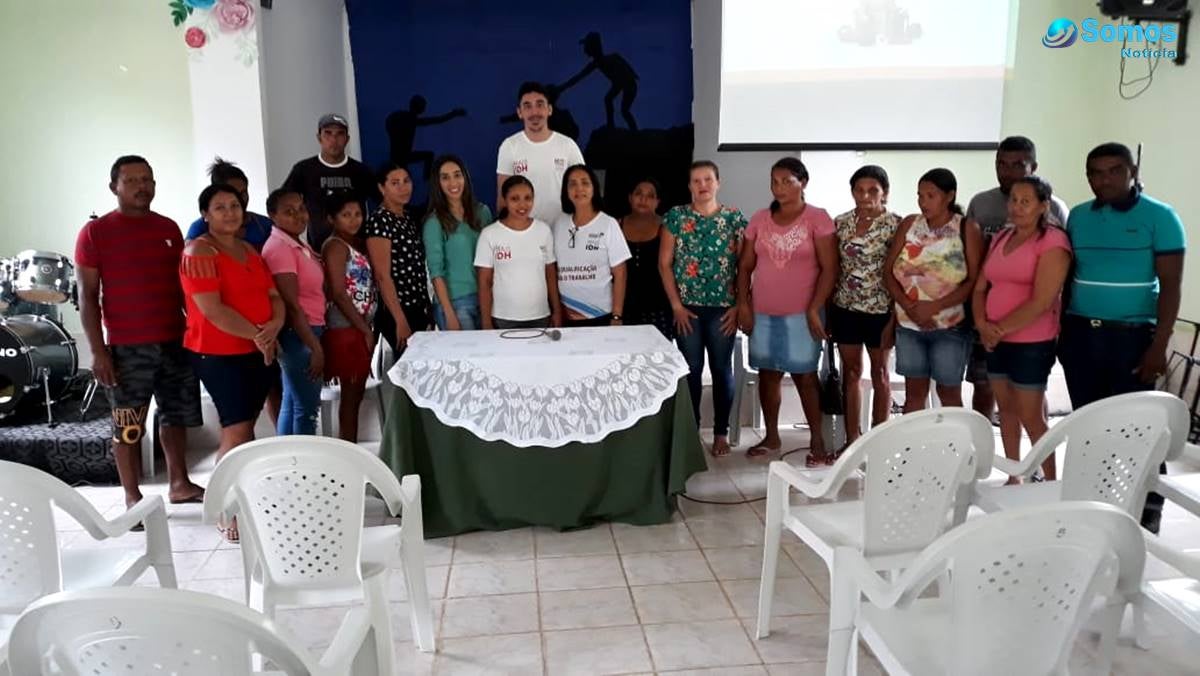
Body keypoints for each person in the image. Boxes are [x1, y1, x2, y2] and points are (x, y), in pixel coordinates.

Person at [1060, 142, 1186, 533]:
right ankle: (1095, 503)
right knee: (1089, 425)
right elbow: (1067, 277)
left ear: (1132, 172)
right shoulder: (1079, 217)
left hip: (1132, 339)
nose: (1104, 179)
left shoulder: (1161, 217)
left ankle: (1149, 508)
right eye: (1095, 172)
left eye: (1114, 170)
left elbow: (1171, 287)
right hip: (1081, 335)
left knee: (1138, 428)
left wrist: (1159, 346)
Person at [75, 155, 206, 512]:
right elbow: (87, 297)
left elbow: (183, 289)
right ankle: (132, 496)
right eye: (131, 180)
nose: (141, 186)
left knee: (175, 415)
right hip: (126, 347)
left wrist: (195, 332)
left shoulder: (168, 228)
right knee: (128, 425)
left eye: (147, 179)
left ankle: (179, 482)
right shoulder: (95, 233)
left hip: (174, 340)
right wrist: (98, 351)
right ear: (113, 187)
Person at [180, 184, 284, 542]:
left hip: (256, 351)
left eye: (235, 206)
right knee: (236, 431)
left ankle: (243, 499)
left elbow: (274, 296)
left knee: (244, 431)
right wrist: (261, 335)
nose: (229, 212)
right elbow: (213, 311)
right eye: (220, 207)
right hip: (220, 354)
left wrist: (274, 327)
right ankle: (225, 508)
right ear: (205, 215)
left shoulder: (250, 250)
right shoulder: (198, 251)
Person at [736, 158, 837, 464]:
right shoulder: (759, 219)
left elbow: (830, 269)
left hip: (802, 315)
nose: (778, 187)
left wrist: (814, 308)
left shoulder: (817, 218)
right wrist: (743, 303)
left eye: (786, 181)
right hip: (763, 313)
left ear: (803, 182)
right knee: (768, 374)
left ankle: (817, 441)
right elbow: (744, 266)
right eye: (774, 181)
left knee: (805, 376)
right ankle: (771, 436)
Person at [973, 176, 1072, 483]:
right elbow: (980, 288)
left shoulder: (1053, 241)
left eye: (1026, 201)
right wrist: (982, 325)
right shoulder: (1002, 237)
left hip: (1031, 341)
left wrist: (997, 329)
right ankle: (1015, 475)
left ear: (1044, 205)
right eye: (1013, 200)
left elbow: (1042, 300)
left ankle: (1051, 480)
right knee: (1006, 409)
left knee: (1031, 414)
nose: (1017, 207)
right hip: (994, 339)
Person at [965, 136, 1070, 422]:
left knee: (1031, 397)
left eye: (1017, 165)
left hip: (1033, 325)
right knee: (984, 384)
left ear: (1033, 167)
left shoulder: (1056, 210)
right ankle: (985, 449)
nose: (1007, 171)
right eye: (1001, 164)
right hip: (986, 315)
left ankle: (1037, 459)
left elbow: (1055, 277)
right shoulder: (981, 203)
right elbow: (976, 262)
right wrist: (983, 324)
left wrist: (999, 329)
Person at [660, 161, 748, 457]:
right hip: (688, 310)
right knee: (691, 371)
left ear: (718, 183)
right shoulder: (676, 217)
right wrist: (676, 305)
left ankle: (721, 433)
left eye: (708, 179)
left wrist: (738, 305)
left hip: (724, 309)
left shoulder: (734, 219)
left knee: (722, 370)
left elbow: (746, 268)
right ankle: (692, 430)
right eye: (696, 180)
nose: (703, 185)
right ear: (689, 186)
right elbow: (664, 264)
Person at [884, 168, 982, 412]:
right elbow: (888, 272)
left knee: (948, 393)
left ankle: (954, 448)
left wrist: (933, 308)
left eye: (930, 195)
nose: (923, 202)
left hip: (950, 326)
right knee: (914, 393)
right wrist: (911, 308)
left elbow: (973, 280)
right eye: (920, 195)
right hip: (909, 325)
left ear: (949, 196)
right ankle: (914, 449)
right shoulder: (909, 224)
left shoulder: (966, 228)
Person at [830, 165, 902, 447]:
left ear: (885, 193)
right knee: (850, 372)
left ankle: (878, 439)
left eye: (872, 190)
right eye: (859, 190)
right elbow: (833, 267)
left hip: (881, 310)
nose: (865, 196)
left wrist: (897, 315)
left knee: (881, 373)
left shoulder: (895, 224)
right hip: (845, 307)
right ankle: (852, 439)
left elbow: (901, 270)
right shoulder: (840, 223)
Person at [261, 189, 326, 436]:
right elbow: (291, 304)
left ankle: (288, 463)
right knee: (306, 409)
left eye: (301, 209)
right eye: (289, 212)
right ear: (272, 216)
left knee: (292, 401)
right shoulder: (279, 247)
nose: (298, 216)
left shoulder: (297, 243)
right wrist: (315, 347)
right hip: (299, 334)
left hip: (308, 330)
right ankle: (302, 470)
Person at [321, 192, 377, 443]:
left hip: (358, 325)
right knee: (350, 397)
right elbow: (338, 293)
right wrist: (364, 329)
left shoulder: (355, 243)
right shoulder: (335, 246)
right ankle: (347, 451)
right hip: (346, 328)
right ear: (332, 219)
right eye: (346, 215)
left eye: (357, 214)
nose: (354, 220)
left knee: (355, 397)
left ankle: (349, 450)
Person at [476, 175, 562, 329]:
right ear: (505, 200)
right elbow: (484, 283)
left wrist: (556, 311)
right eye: (515, 199)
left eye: (527, 198)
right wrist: (486, 322)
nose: (522, 204)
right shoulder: (490, 234)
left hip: (540, 315)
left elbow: (550, 275)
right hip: (503, 318)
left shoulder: (543, 231)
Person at [283, 113, 377, 249]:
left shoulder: (361, 171)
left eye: (340, 134)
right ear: (319, 137)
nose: (334, 139)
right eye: (328, 133)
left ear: (347, 139)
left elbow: (382, 204)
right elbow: (285, 203)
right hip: (318, 250)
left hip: (358, 251)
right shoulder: (304, 169)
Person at [496, 82, 584, 226]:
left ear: (549, 109)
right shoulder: (509, 146)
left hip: (564, 232)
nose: (534, 112)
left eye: (540, 104)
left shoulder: (568, 146)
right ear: (519, 112)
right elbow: (502, 199)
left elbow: (584, 193)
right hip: (525, 234)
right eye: (527, 106)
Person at [553, 164, 631, 327]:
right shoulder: (559, 224)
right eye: (572, 184)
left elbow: (620, 274)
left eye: (585, 183)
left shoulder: (608, 224)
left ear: (594, 188)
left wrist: (617, 316)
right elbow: (553, 269)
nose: (579, 188)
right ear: (565, 191)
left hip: (601, 315)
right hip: (567, 316)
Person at [364, 163, 430, 353]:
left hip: (418, 308)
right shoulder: (380, 221)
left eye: (406, 181)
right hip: (397, 311)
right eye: (395, 183)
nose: (403, 187)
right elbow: (382, 275)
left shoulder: (408, 218)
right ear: (381, 188)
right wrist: (400, 320)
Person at [422, 155, 492, 330]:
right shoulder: (434, 222)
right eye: (445, 177)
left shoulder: (482, 212)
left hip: (486, 299)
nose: (453, 182)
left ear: (465, 177)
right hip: (456, 304)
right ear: (437, 183)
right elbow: (436, 271)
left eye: (457, 175)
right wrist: (448, 313)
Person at [620, 179, 675, 340]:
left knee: (658, 360)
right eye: (638, 194)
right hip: (625, 308)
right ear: (630, 198)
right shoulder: (616, 225)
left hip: (659, 309)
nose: (643, 199)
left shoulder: (667, 227)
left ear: (657, 202)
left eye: (650, 196)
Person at [185, 157, 273, 250]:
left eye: (243, 193)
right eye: (234, 194)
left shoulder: (264, 225)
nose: (240, 199)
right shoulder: (199, 229)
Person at [557, 32, 640, 130]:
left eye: (587, 46)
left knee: (624, 110)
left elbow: (624, 76)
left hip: (629, 85)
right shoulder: (601, 61)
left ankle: (631, 131)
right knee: (610, 101)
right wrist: (562, 87)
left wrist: (562, 87)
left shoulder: (609, 59)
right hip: (622, 84)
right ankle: (612, 126)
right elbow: (579, 77)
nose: (585, 50)